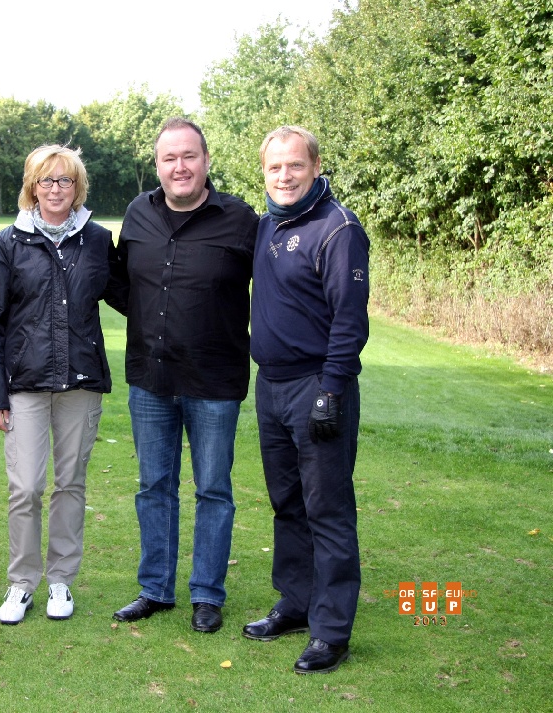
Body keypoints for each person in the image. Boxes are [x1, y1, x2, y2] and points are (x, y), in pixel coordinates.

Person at [104, 117, 258, 633]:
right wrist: (152, 322)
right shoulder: (138, 213)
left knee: (213, 489)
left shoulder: (240, 219)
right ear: (157, 165)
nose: (180, 166)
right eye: (169, 158)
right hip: (151, 378)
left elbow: (275, 286)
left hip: (214, 380)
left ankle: (207, 593)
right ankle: (155, 589)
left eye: (189, 156)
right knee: (154, 486)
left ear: (206, 160)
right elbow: (122, 283)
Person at [244, 125, 369, 674]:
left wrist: (332, 390)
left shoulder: (338, 228)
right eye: (275, 167)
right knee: (288, 503)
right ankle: (296, 603)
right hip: (270, 385)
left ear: (315, 167)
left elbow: (350, 318)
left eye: (295, 165)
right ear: (264, 172)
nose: (285, 176)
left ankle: (331, 631)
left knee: (328, 508)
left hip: (318, 385)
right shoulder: (267, 224)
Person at [0, 145, 112, 625]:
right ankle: (21, 583)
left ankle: (61, 580)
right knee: (26, 487)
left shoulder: (97, 240)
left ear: (78, 187)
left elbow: (129, 294)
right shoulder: (8, 242)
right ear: (32, 186)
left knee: (70, 483)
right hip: (25, 384)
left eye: (65, 180)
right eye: (46, 180)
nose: (56, 189)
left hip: (81, 382)